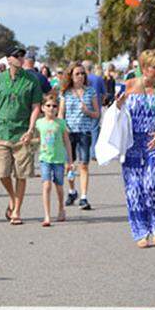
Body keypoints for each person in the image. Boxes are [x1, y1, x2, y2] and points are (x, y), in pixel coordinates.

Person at [117, 49, 155, 248]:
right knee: (134, 189)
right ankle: (141, 231)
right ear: (143, 67)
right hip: (131, 142)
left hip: (154, 141)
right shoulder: (130, 85)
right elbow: (117, 110)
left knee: (151, 185)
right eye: (152, 67)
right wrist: (118, 104)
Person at [0, 48, 43, 226]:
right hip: (1, 131)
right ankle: (12, 197)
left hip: (22, 132)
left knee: (21, 174)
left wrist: (32, 128)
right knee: (2, 172)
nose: (21, 59)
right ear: (9, 59)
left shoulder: (31, 80)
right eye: (17, 56)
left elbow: (36, 106)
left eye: (22, 56)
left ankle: (17, 210)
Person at [59, 62, 100, 210]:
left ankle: (84, 196)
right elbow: (61, 113)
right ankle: (72, 191)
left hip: (84, 131)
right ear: (71, 76)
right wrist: (62, 127)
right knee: (68, 165)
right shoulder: (65, 93)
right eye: (77, 74)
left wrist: (88, 111)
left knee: (83, 165)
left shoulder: (90, 92)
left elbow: (97, 113)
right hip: (69, 132)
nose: (81, 76)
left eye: (83, 73)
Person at [35, 94, 71, 227]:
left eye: (54, 106)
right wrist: (28, 141)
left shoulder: (61, 123)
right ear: (43, 108)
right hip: (45, 158)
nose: (51, 108)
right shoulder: (39, 123)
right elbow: (38, 139)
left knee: (59, 186)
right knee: (46, 185)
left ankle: (61, 208)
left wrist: (70, 161)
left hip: (59, 159)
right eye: (48, 106)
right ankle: (47, 215)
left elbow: (66, 141)